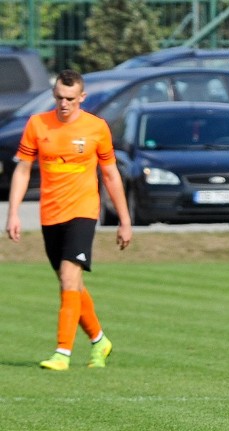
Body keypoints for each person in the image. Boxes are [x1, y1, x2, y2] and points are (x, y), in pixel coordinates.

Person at [4, 69, 132, 371]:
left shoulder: (96, 128)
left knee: (67, 277)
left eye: (71, 99)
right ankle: (100, 340)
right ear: (54, 95)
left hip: (83, 211)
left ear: (82, 98)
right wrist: (13, 213)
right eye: (60, 97)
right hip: (50, 214)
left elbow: (111, 174)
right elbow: (22, 170)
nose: (64, 104)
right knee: (71, 283)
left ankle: (62, 352)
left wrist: (125, 220)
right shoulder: (37, 125)